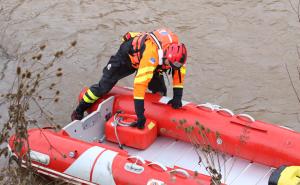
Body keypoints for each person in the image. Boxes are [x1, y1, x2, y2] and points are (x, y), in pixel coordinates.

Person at [71, 28, 187, 129]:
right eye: (170, 64)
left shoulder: (178, 54)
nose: (173, 67)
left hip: (151, 60)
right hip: (127, 57)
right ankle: (79, 110)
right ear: (166, 56)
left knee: (161, 91)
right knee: (103, 88)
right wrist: (140, 115)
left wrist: (178, 96)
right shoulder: (151, 56)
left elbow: (179, 71)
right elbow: (139, 85)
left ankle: (159, 119)